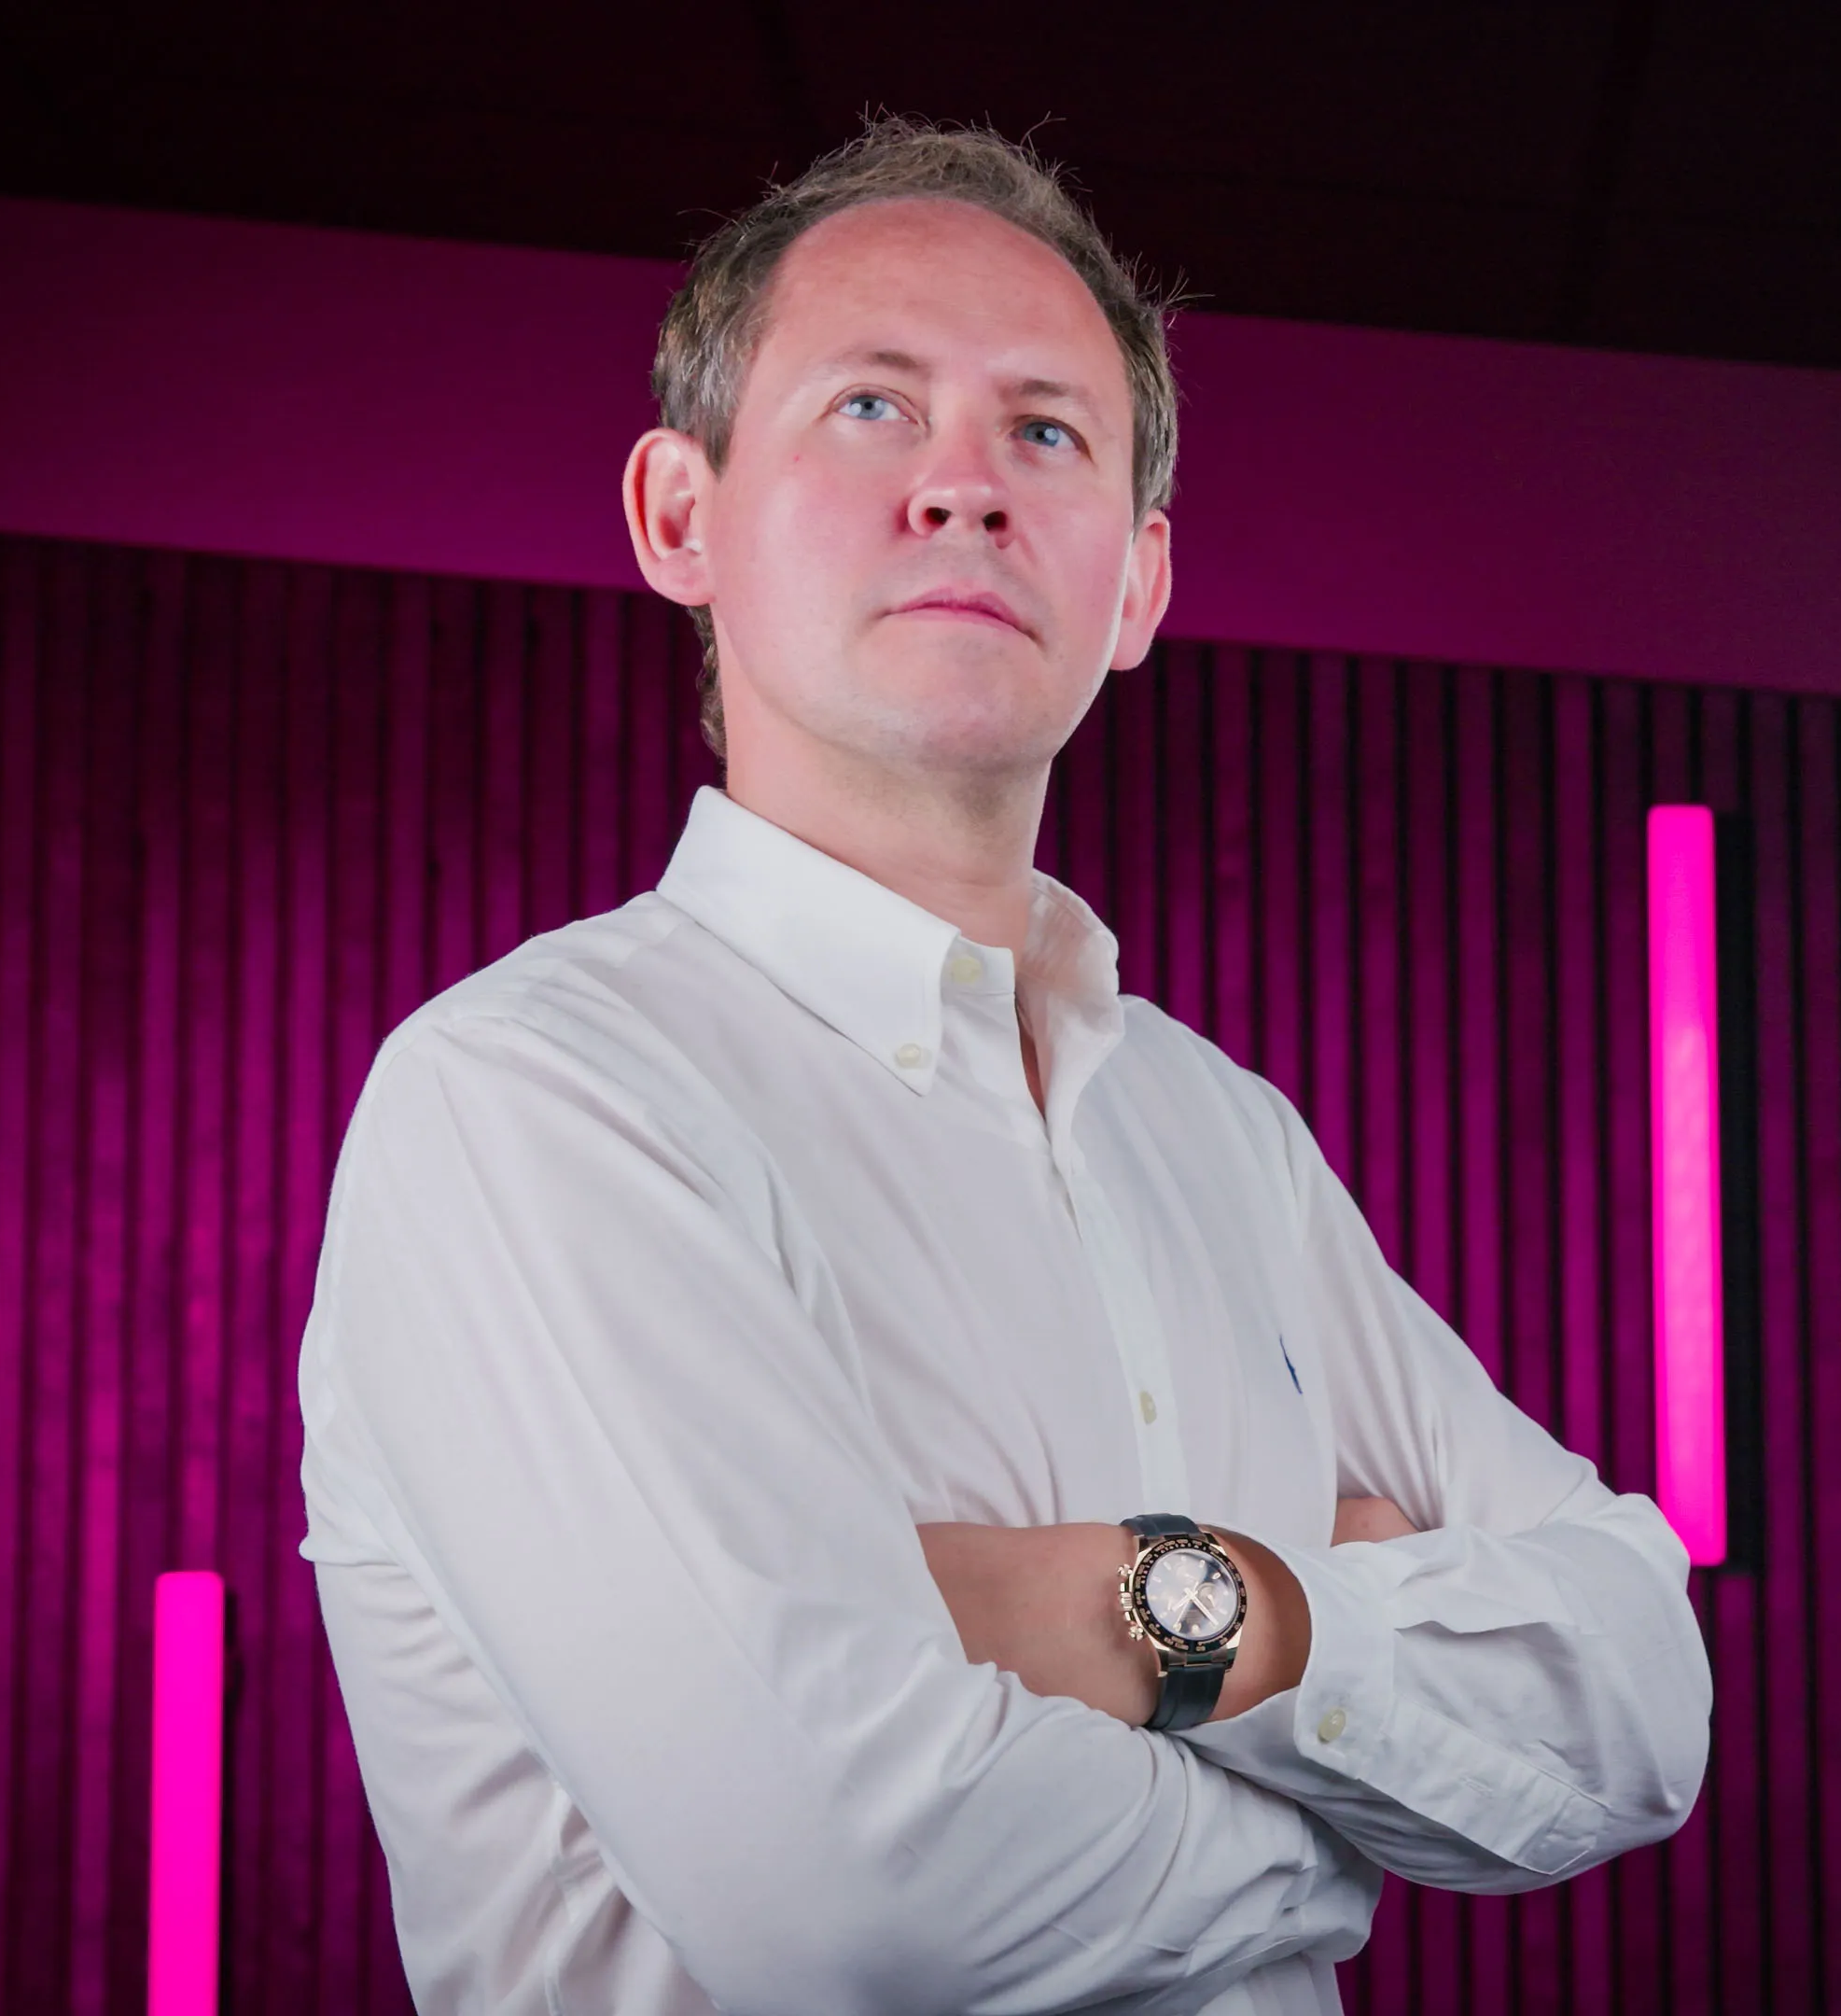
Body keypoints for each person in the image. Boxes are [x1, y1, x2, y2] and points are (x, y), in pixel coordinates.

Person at [299, 119, 1710, 2015]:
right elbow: (857, 1898)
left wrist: (1141, 1609)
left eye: (1045, 431)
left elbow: (1638, 1692)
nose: (964, 486)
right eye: (872, 405)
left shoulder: (1221, 1135)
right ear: (679, 516)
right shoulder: (535, 1103)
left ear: (1136, 590)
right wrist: (1346, 1818)